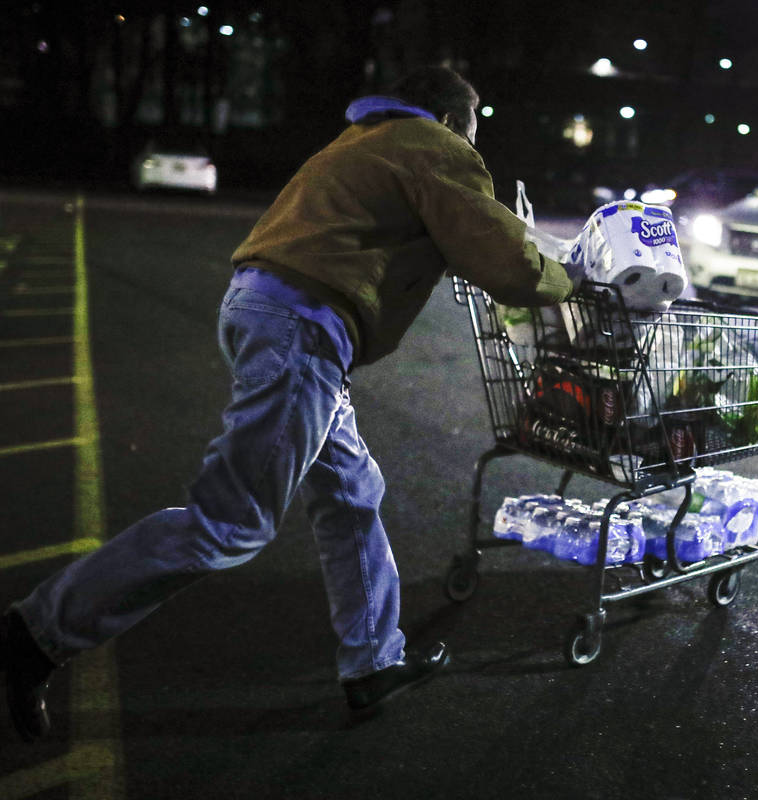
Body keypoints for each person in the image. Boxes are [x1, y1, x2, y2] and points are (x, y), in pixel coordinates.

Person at [0, 65, 582, 741]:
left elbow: (426, 233)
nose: (474, 145)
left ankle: (372, 663)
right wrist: (573, 278)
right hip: (303, 326)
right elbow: (505, 260)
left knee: (352, 490)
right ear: (451, 120)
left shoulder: (364, 140)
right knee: (232, 522)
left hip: (272, 311)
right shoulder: (433, 145)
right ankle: (35, 635)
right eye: (474, 132)